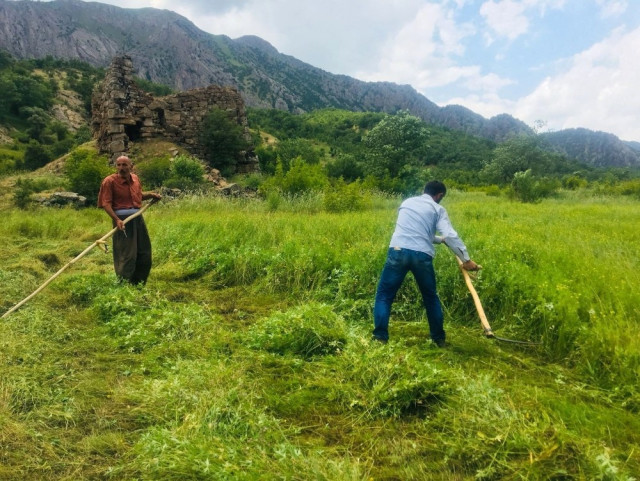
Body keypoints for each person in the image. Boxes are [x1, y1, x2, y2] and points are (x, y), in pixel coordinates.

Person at [372, 180, 479, 347]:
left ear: (425, 190)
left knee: (384, 296)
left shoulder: (406, 203)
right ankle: (439, 340)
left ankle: (380, 338)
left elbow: (419, 232)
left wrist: (439, 240)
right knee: (430, 298)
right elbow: (450, 235)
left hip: (398, 250)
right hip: (421, 255)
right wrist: (467, 260)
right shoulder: (437, 209)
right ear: (439, 195)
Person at [97, 155, 162, 285]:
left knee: (144, 251)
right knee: (127, 254)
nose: (121, 168)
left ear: (131, 166)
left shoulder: (136, 179)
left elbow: (138, 196)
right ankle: (124, 282)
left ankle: (138, 283)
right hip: (122, 221)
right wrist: (116, 220)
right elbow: (106, 203)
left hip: (138, 218)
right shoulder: (109, 181)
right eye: (119, 165)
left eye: (124, 165)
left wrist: (150, 195)